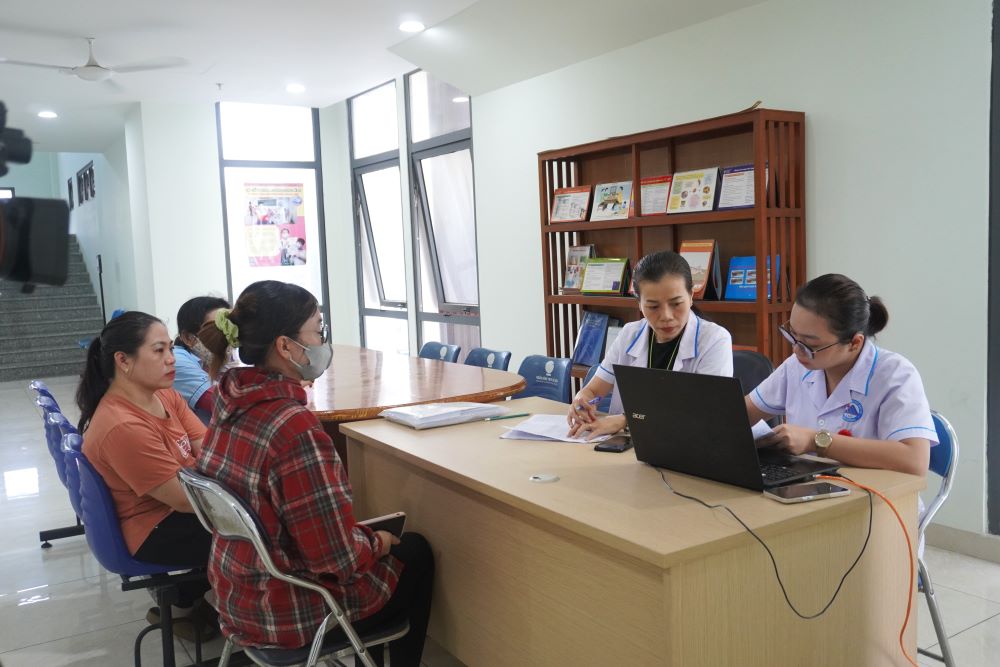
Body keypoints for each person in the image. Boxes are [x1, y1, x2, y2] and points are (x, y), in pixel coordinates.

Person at [196, 280, 434, 666]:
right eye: (318, 330)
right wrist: (380, 542)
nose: (324, 341)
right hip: (287, 611)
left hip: (236, 594)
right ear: (286, 346)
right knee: (415, 551)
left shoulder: (229, 402)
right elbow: (337, 560)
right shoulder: (294, 429)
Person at [76, 311, 215, 637]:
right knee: (258, 528)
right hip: (154, 528)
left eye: (170, 348)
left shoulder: (163, 394)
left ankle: (193, 604)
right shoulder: (122, 425)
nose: (171, 360)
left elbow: (207, 447)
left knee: (255, 514)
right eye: (158, 351)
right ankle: (220, 612)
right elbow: (183, 499)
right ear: (123, 361)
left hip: (174, 505)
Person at [747, 274, 936, 476]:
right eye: (792, 335)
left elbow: (915, 461)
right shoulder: (797, 366)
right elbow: (743, 413)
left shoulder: (895, 374)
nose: (796, 350)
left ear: (855, 342)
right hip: (811, 491)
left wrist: (815, 440)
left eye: (811, 344)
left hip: (876, 500)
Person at [567, 250, 733, 440]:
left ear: (691, 295)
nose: (666, 316)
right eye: (653, 306)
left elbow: (702, 411)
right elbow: (594, 390)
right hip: (626, 448)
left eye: (676, 303)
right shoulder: (629, 334)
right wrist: (582, 400)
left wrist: (624, 420)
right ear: (639, 304)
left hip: (686, 445)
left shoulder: (714, 340)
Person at [173, 295, 231, 424]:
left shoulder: (214, 359)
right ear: (188, 338)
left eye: (230, 327)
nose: (227, 337)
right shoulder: (175, 360)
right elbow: (224, 404)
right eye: (217, 330)